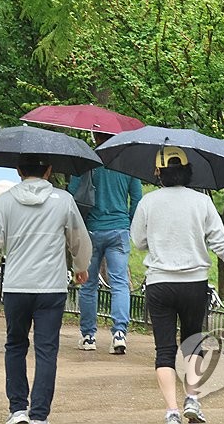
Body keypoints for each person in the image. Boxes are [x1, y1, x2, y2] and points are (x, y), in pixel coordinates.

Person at [131, 146, 224, 424]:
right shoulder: (202, 201)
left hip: (160, 284)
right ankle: (192, 400)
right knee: (192, 342)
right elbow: (219, 239)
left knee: (164, 350)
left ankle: (172, 411)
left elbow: (138, 241)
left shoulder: (148, 202)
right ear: (186, 169)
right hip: (194, 284)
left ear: (158, 172)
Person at [0, 157, 92, 424]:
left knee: (16, 345)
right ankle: (40, 416)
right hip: (51, 287)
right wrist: (80, 266)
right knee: (46, 350)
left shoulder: (6, 200)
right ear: (49, 170)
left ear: (19, 171)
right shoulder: (63, 200)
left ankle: (18, 409)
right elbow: (78, 238)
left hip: (17, 286)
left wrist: (12, 238)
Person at [67, 132, 142, 355]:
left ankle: (88, 336)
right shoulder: (128, 163)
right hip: (118, 229)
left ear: (94, 136)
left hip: (91, 229)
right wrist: (127, 222)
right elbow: (136, 198)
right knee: (119, 283)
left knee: (88, 284)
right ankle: (119, 334)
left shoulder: (87, 160)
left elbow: (73, 193)